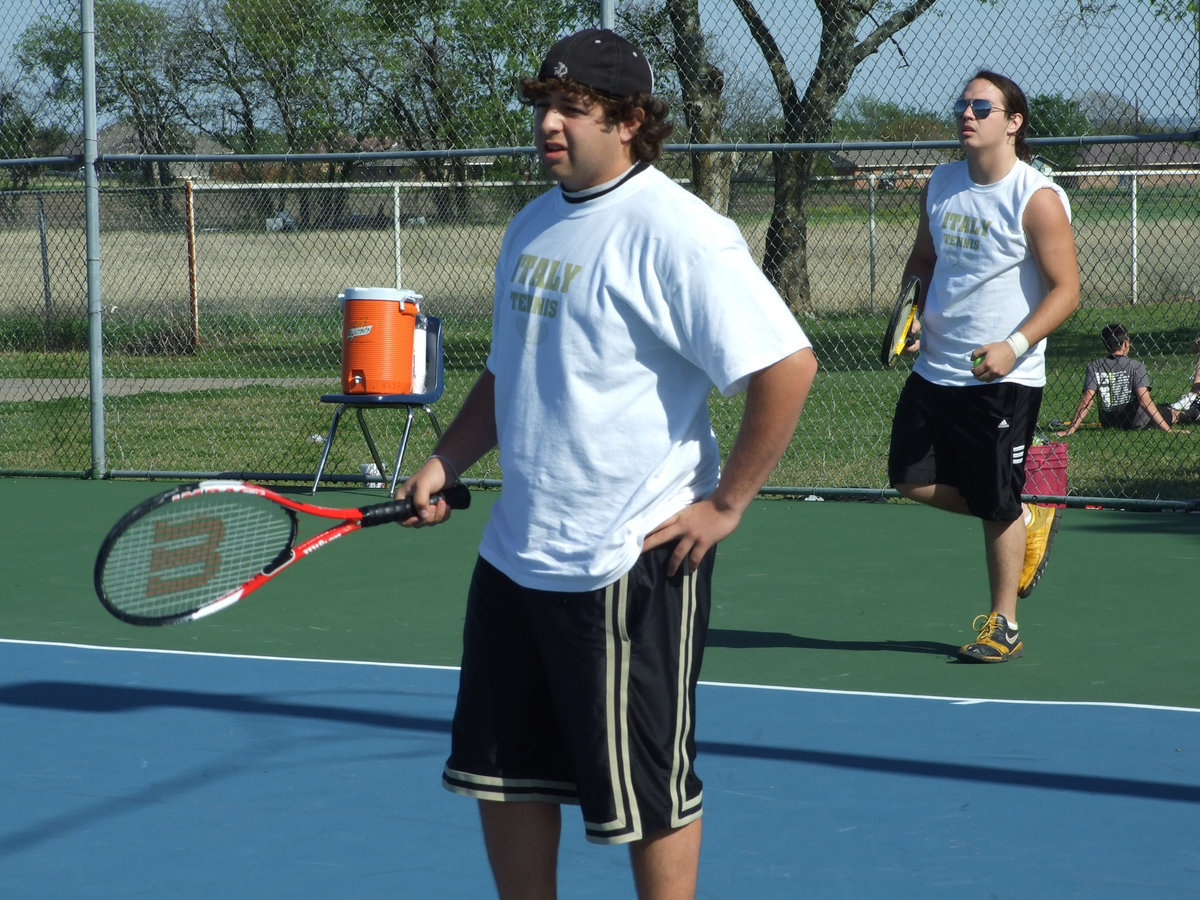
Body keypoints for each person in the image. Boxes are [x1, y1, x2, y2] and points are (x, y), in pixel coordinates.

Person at [394, 28, 817, 899]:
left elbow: (787, 365)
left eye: (572, 108)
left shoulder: (681, 232)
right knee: (504, 778)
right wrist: (447, 458)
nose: (549, 123)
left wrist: (726, 504)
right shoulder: (532, 223)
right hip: (516, 555)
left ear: (629, 121)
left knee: (648, 792)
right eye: (543, 105)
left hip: (628, 560)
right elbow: (509, 370)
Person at [888, 71, 1080, 664]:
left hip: (1003, 378)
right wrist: (911, 313)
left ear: (1013, 122)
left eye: (981, 106)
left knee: (994, 504)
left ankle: (1005, 624)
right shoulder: (941, 183)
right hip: (935, 369)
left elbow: (1067, 290)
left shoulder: (1036, 197)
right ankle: (1025, 514)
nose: (966, 115)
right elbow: (924, 259)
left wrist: (1013, 345)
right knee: (908, 477)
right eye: (962, 105)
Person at [1055, 323, 1196, 435]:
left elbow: (1088, 399)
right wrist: (1168, 430)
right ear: (1126, 344)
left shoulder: (1094, 366)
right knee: (1172, 414)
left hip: (1109, 422)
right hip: (1138, 422)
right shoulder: (1136, 366)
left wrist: (1071, 429)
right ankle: (1193, 412)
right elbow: (1145, 401)